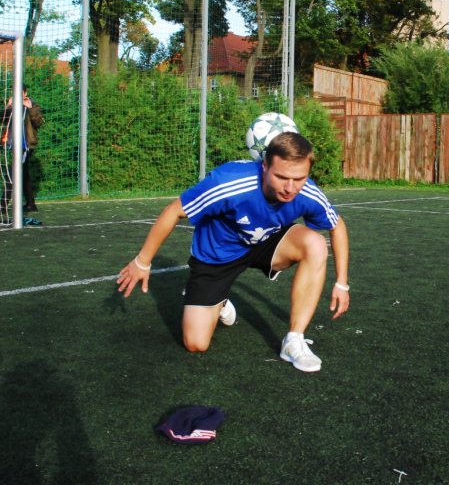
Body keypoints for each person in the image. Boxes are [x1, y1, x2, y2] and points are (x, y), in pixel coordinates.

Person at [116, 132, 350, 373]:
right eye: (281, 177)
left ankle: (294, 340)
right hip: (218, 256)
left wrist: (341, 283)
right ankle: (220, 301)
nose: (290, 188)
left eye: (299, 178)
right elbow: (174, 210)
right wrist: (142, 261)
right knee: (196, 343)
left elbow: (337, 225)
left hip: (265, 240)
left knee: (315, 244)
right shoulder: (228, 182)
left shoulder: (307, 192)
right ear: (264, 166)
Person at [0, 88, 44, 214]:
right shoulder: (13, 106)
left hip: (26, 146)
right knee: (23, 173)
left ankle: (3, 203)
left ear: (25, 93)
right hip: (14, 144)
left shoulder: (33, 105)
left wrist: (30, 108)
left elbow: (38, 122)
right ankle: (31, 204)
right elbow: (2, 119)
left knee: (13, 172)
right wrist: (8, 106)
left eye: (20, 93)